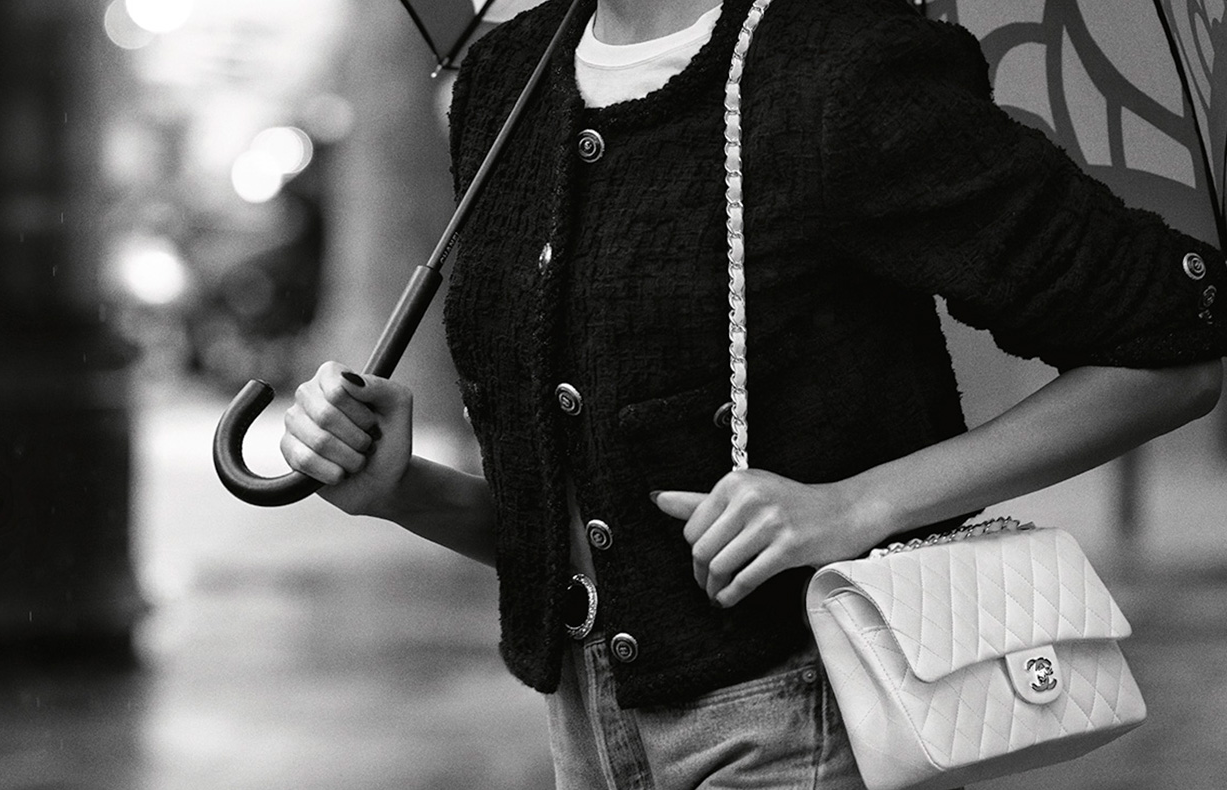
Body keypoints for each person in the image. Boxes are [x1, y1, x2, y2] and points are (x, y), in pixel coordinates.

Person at [278, 0, 1227, 786]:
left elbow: (1175, 350)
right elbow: (598, 530)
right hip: (580, 731)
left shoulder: (838, 68)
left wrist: (855, 506)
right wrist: (405, 491)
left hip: (801, 720)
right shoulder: (508, 81)